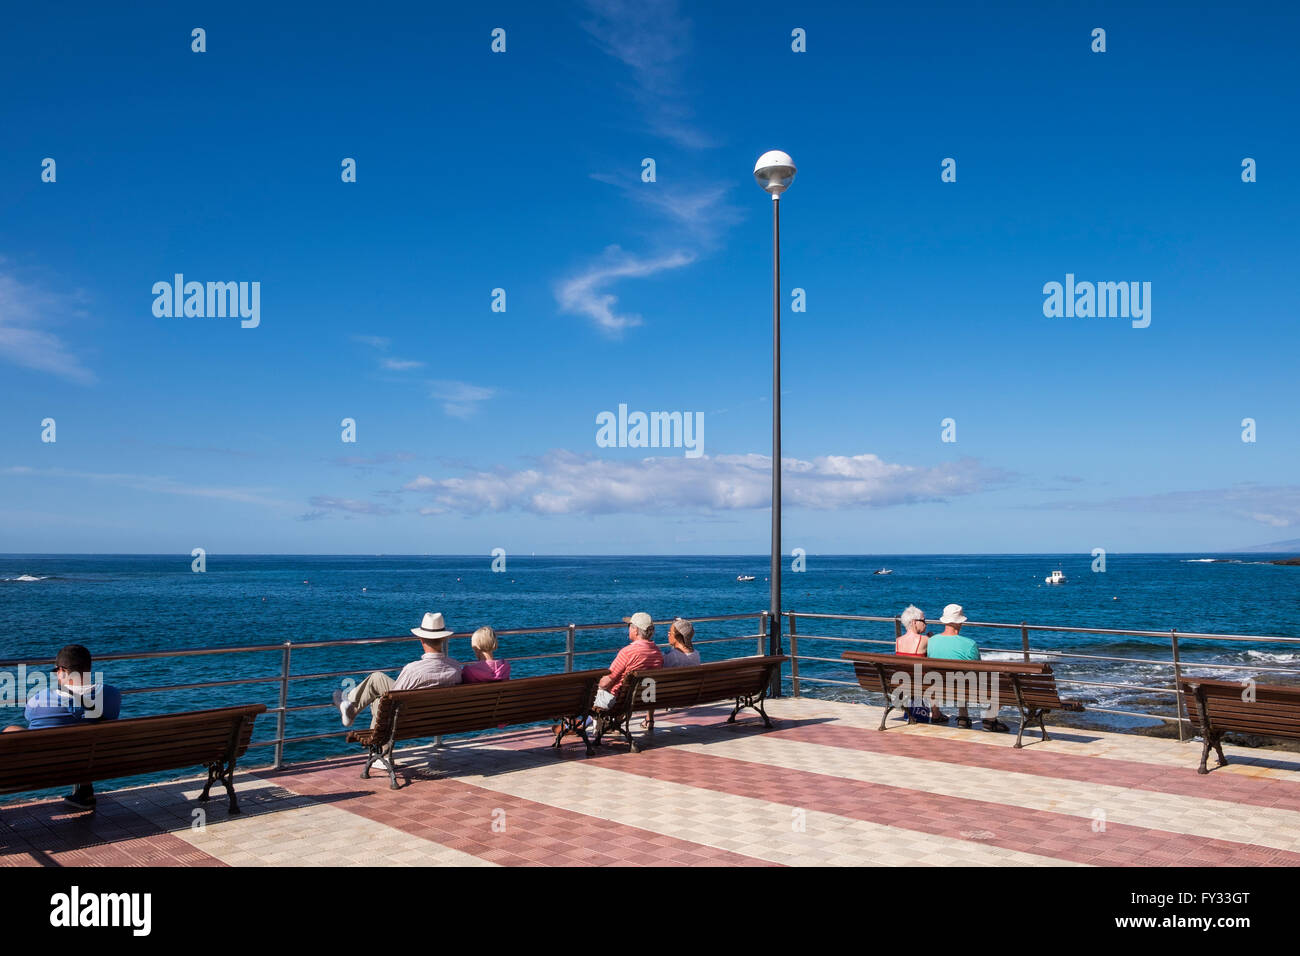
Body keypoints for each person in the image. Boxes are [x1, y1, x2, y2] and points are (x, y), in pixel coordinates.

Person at [8, 644, 122, 810]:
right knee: (86, 740)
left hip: (44, 766)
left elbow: (29, 717)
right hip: (95, 761)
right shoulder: (112, 694)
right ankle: (85, 792)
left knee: (11, 730)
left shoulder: (40, 698)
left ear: (61, 670)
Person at [334, 613, 463, 747]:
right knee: (379, 684)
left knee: (377, 684)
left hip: (408, 721)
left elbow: (392, 698)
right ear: (443, 639)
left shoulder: (413, 670)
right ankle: (350, 708)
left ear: (421, 640)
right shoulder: (456, 667)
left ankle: (350, 707)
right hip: (438, 721)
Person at [926, 604, 1008, 732]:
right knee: (1005, 684)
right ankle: (990, 719)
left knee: (958, 678)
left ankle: (960, 715)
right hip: (966, 688)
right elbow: (979, 670)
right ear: (959, 623)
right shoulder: (969, 644)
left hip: (938, 686)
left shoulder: (931, 641)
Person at [594, 612, 663, 711]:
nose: (628, 629)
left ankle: (592, 723)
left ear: (635, 630)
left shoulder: (628, 652)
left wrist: (596, 684)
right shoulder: (657, 653)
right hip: (643, 698)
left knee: (590, 693)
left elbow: (606, 682)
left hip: (619, 700)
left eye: (629, 626)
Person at [896, 606, 946, 723]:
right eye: (923, 620)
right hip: (920, 684)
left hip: (902, 682)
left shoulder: (898, 640)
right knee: (936, 677)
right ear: (914, 622)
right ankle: (936, 714)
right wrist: (931, 638)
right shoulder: (924, 640)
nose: (925, 623)